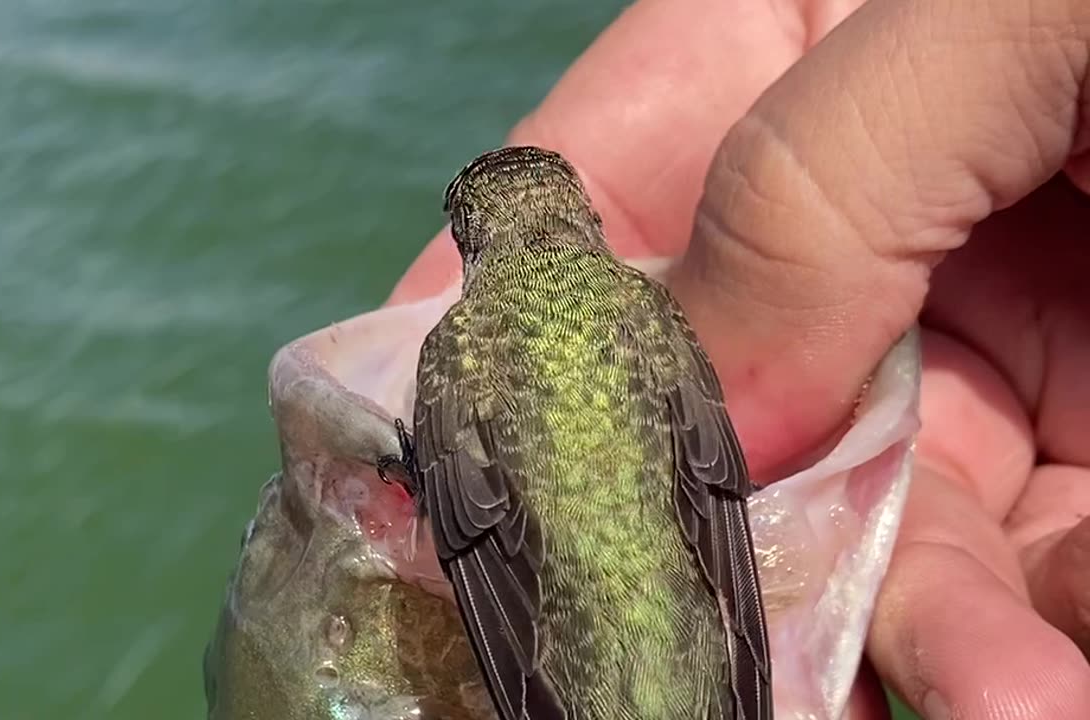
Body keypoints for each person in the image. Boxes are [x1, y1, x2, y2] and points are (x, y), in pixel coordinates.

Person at [386, 0, 1090, 717]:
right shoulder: (648, 312)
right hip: (690, 639)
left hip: (563, 663)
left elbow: (474, 539)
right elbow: (715, 488)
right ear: (581, 216)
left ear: (471, 239)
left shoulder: (454, 356)